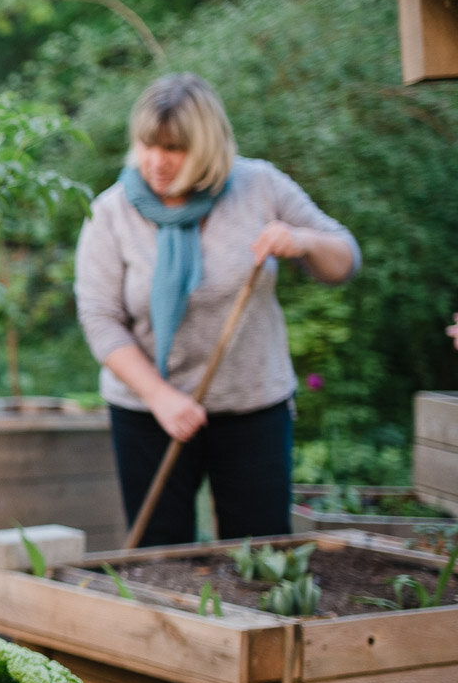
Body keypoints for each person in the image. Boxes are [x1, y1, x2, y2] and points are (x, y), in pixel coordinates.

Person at [75, 73, 360, 547]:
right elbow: (101, 321)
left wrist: (303, 241)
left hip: (252, 407)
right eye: (147, 145)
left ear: (207, 148)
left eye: (174, 149)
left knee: (261, 553)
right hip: (147, 410)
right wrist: (161, 398)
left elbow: (344, 259)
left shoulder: (259, 186)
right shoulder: (111, 213)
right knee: (159, 556)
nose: (155, 162)